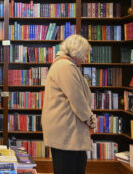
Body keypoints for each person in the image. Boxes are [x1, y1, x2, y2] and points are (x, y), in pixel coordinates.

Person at [41, 34, 96, 174]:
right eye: (84, 54)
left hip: (68, 130)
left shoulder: (64, 64)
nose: (85, 59)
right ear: (77, 52)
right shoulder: (65, 66)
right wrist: (91, 120)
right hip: (67, 132)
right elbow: (77, 99)